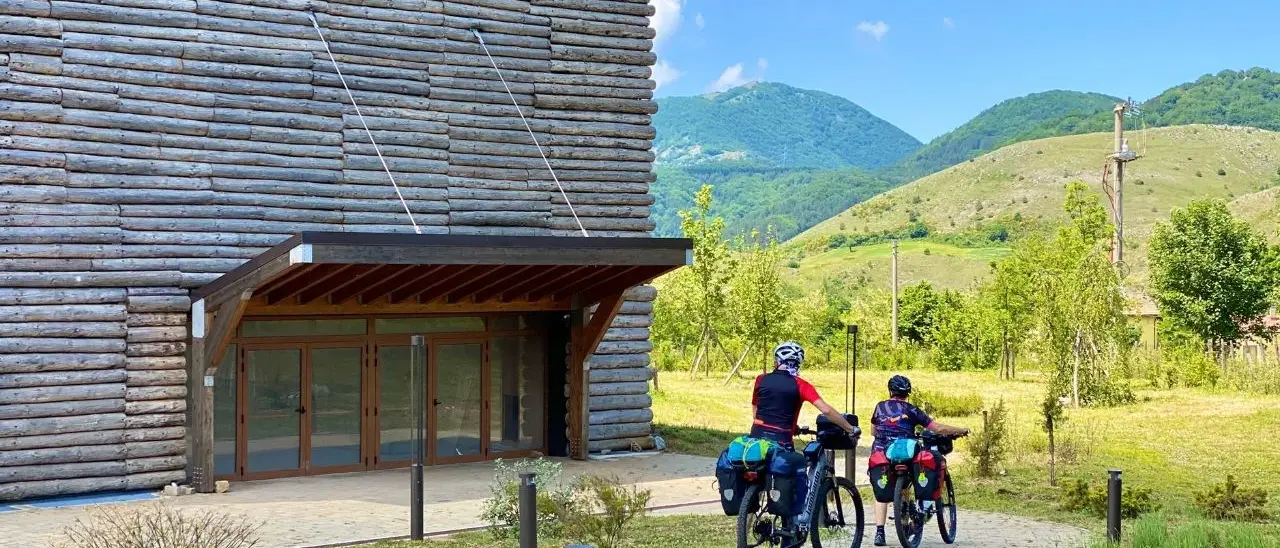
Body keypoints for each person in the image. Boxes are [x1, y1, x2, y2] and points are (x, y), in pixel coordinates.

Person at [749, 341, 858, 531]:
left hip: (756, 439)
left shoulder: (761, 379)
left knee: (759, 479)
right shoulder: (801, 384)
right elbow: (825, 409)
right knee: (794, 478)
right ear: (798, 363)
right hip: (781, 441)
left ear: (776, 361)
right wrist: (850, 428)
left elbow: (756, 410)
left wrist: (790, 426)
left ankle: (744, 529)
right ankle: (791, 528)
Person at [868, 374, 970, 546]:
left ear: (890, 391)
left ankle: (879, 533)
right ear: (907, 392)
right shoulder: (912, 409)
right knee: (913, 472)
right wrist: (961, 430)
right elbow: (937, 428)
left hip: (882, 453)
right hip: (905, 452)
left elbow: (873, 432)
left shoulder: (879, 407)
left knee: (882, 492)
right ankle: (916, 514)